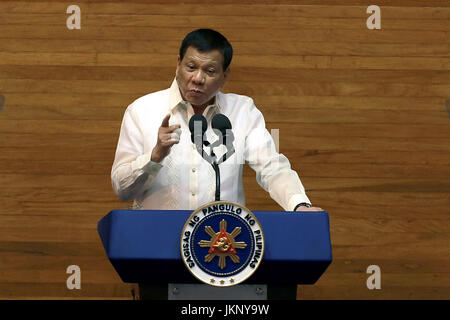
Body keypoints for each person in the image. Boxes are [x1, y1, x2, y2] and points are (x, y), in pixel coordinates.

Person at [111, 28, 322, 213]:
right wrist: (154, 156)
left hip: (221, 245)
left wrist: (298, 204)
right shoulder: (142, 110)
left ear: (224, 75)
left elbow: (271, 166)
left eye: (210, 71)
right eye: (191, 67)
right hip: (155, 242)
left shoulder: (243, 111)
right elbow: (122, 190)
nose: (198, 79)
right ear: (178, 65)